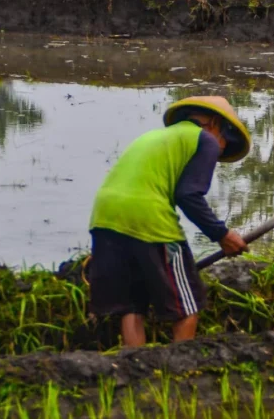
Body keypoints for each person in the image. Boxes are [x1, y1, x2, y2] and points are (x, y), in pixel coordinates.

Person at [89, 96, 251, 347]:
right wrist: (222, 235)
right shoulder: (205, 139)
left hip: (105, 217)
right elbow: (187, 195)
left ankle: (135, 370)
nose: (219, 152)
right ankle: (179, 373)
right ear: (215, 124)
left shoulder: (153, 137)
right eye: (225, 144)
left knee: (133, 305)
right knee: (188, 305)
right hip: (148, 218)